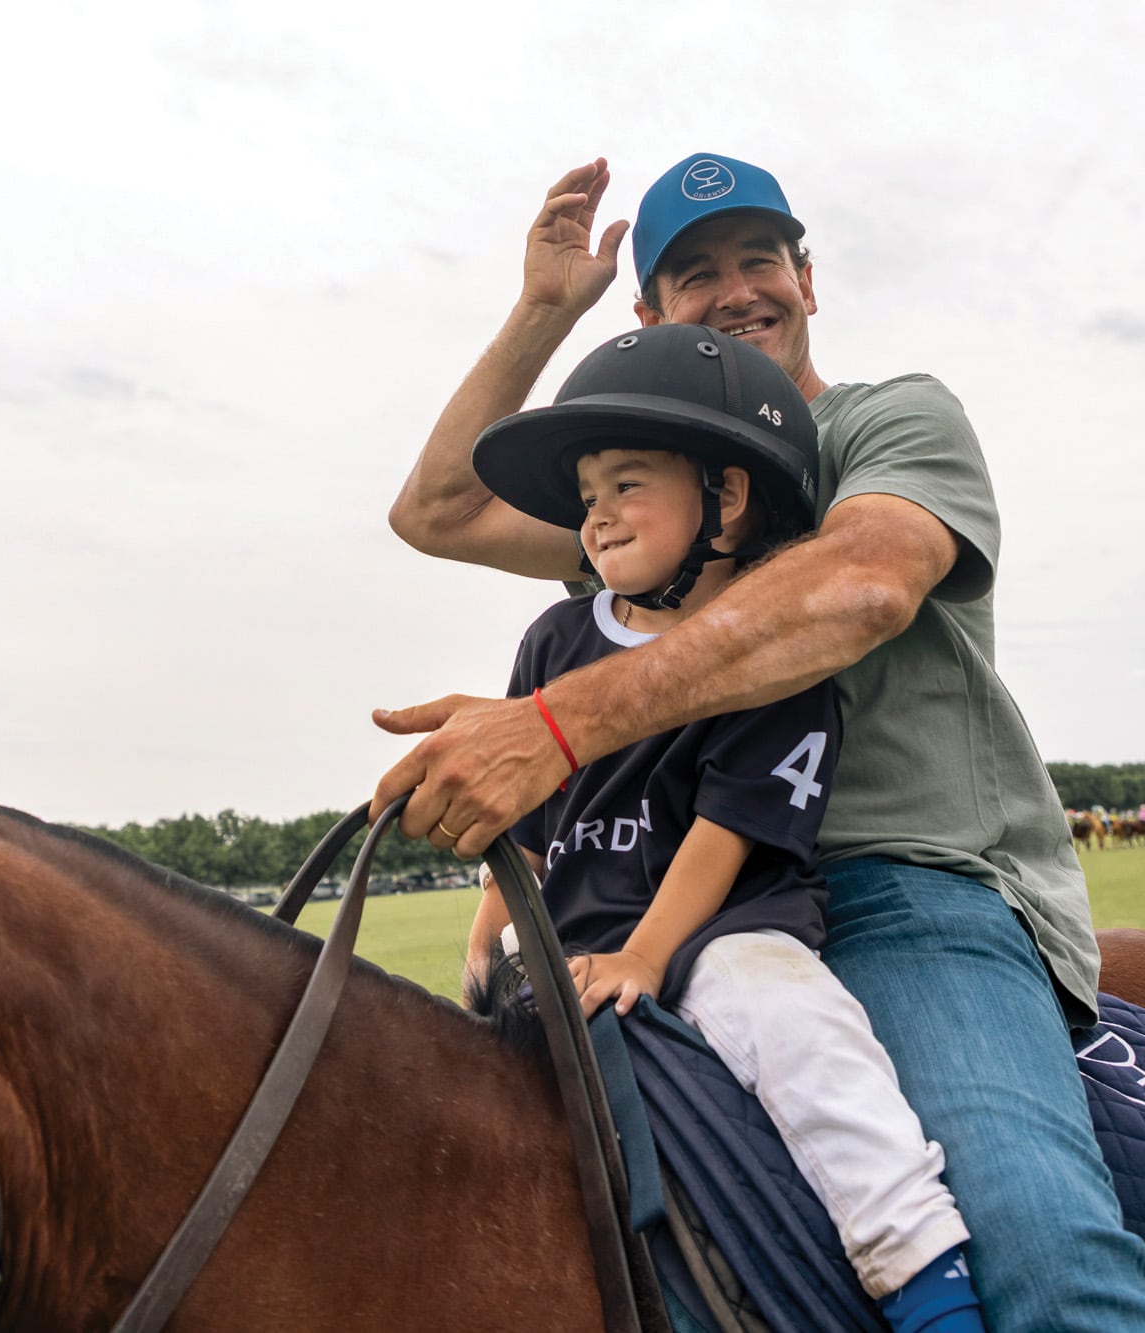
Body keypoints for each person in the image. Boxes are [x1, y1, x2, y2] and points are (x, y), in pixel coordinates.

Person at [373, 153, 1145, 1329]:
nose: (737, 287)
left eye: (761, 258)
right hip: (653, 908)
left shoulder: (890, 419)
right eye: (694, 272)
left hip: (896, 890)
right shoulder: (645, 501)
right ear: (648, 316)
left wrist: (550, 727)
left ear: (807, 278)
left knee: (1042, 1262)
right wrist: (542, 311)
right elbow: (435, 511)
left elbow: (862, 583)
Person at [467, 319, 984, 1332]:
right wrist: (486, 937)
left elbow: (723, 827)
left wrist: (649, 956)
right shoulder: (551, 637)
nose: (598, 519)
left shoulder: (771, 655)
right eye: (585, 500)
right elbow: (528, 832)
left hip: (716, 932)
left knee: (802, 1035)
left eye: (626, 485)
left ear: (727, 496)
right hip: (569, 940)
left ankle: (922, 1272)